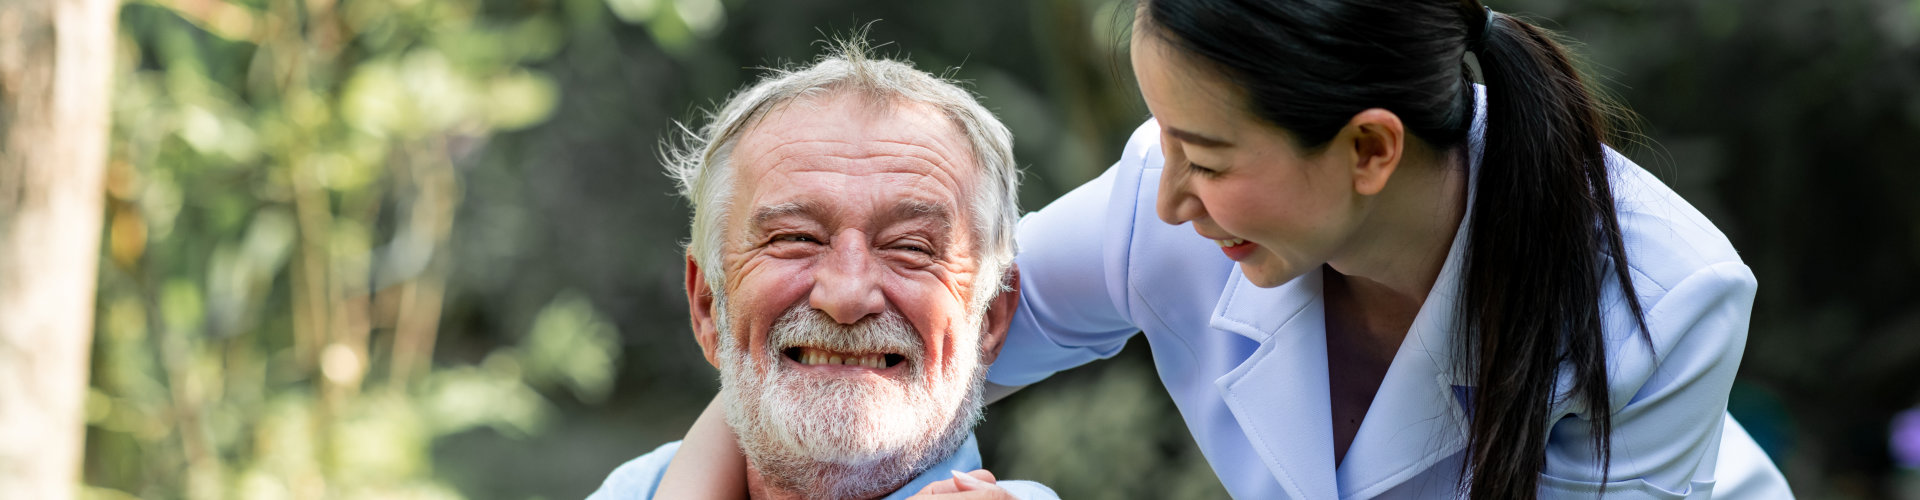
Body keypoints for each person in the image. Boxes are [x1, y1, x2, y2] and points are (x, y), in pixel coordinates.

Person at [666, 1, 1797, 498]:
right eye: (1160, 140)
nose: (1163, 200)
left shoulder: (1663, 298)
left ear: (1367, 149)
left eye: (1204, 155)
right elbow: (846, 350)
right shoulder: (1164, 206)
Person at [587, 37, 1056, 499]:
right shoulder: (634, 488)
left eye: (910, 248)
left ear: (992, 317)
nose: (847, 296)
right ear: (708, 304)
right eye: (796, 238)